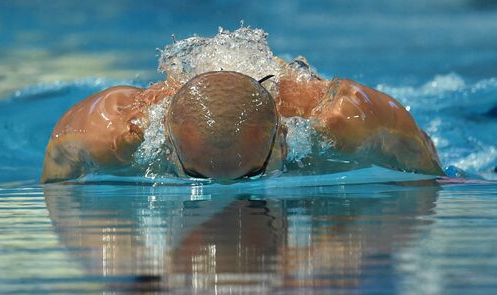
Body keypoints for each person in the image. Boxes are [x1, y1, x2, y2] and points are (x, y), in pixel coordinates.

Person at [41, 64, 443, 183]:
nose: (224, 188)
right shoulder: (113, 131)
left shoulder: (345, 120)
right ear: (166, 143)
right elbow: (58, 159)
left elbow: (421, 156)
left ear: (282, 138)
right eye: (195, 175)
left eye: (253, 173)